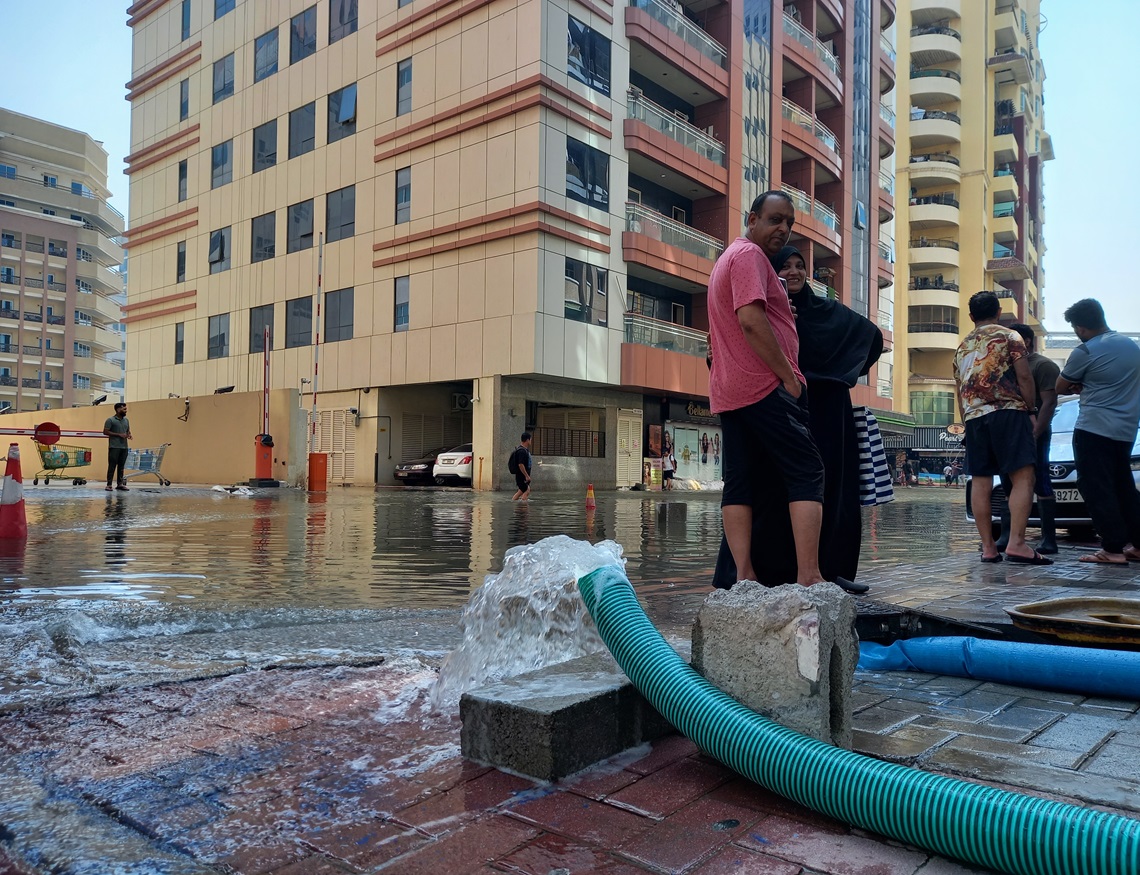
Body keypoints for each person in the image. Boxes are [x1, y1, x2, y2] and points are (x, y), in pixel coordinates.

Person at [711, 244, 882, 593]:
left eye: (799, 266)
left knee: (824, 487)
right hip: (770, 406)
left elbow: (871, 339)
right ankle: (755, 573)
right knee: (763, 488)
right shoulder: (763, 309)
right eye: (783, 266)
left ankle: (827, 570)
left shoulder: (824, 311)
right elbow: (728, 344)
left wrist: (838, 374)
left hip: (825, 412)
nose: (792, 272)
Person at [706, 190, 828, 588]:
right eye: (775, 219)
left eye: (789, 222)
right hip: (763, 386)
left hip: (731, 388)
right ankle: (809, 576)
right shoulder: (749, 257)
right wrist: (790, 379)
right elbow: (751, 322)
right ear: (752, 217)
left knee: (739, 481)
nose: (783, 229)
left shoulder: (729, 258)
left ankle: (744, 576)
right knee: (807, 470)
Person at [953, 291, 1050, 565]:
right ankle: (1018, 544)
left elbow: (960, 391)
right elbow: (1023, 375)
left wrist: (967, 420)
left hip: (973, 417)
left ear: (971, 317)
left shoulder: (961, 348)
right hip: (1008, 412)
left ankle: (988, 548)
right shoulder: (1010, 337)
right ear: (998, 312)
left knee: (981, 481)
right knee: (1023, 477)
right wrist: (1031, 409)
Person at [1054, 299, 1140, 564]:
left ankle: (1112, 549)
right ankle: (1138, 545)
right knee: (1124, 486)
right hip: (1126, 431)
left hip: (1093, 429)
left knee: (1096, 487)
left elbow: (1060, 386)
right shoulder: (1132, 347)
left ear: (1079, 328)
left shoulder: (1086, 351)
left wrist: (1080, 384)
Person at [993, 324, 1061, 553]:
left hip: (1034, 430)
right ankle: (1007, 535)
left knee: (1040, 479)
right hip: (1009, 430)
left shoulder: (1043, 366)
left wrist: (1037, 431)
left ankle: (1048, 538)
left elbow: (1050, 402)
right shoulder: (1003, 364)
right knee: (1007, 481)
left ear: (1028, 342)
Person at [103, 402, 132, 492]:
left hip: (124, 447)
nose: (125, 411)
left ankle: (120, 484)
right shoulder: (110, 420)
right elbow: (105, 432)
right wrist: (118, 435)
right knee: (112, 465)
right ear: (118, 409)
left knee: (121, 466)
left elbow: (127, 431)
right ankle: (109, 484)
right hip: (114, 446)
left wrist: (129, 435)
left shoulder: (126, 420)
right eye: (124, 409)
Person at [510, 432, 533, 501]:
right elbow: (520, 464)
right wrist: (526, 476)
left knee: (523, 490)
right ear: (527, 440)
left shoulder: (524, 450)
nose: (531, 441)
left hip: (522, 475)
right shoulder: (522, 451)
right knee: (525, 490)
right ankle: (523, 507)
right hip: (521, 475)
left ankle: (520, 506)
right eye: (530, 439)